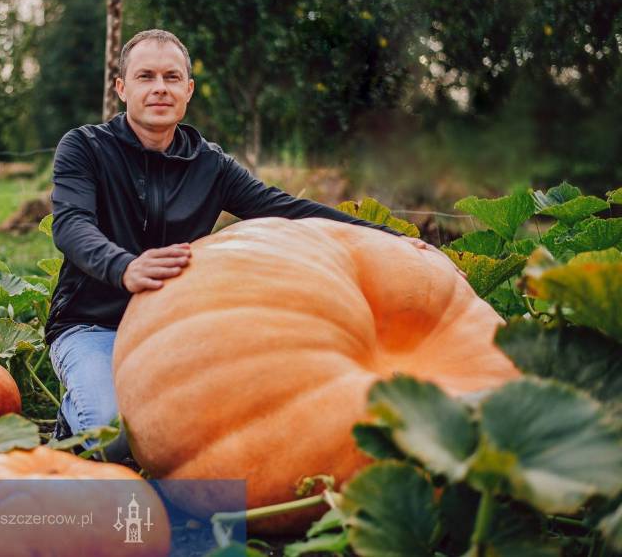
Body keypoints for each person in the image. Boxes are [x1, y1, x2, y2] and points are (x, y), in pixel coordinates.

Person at [46, 29, 455, 460]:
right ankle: (74, 417)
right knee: (117, 439)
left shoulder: (210, 164)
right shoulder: (85, 148)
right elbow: (72, 225)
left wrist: (399, 240)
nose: (159, 88)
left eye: (172, 77)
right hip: (92, 325)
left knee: (215, 429)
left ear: (188, 90)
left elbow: (286, 210)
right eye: (146, 76)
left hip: (174, 327)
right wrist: (124, 266)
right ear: (122, 87)